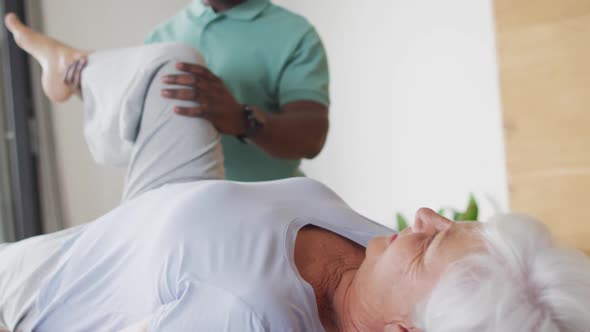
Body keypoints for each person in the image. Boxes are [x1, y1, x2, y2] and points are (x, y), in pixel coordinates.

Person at [2, 14, 590, 332]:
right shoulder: (372, 263)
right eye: (455, 226)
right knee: (172, 67)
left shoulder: (243, 317)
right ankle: (74, 72)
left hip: (45, 286)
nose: (425, 216)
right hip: (170, 209)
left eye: (429, 245)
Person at [146, 0, 331, 181]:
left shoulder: (295, 33)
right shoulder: (160, 37)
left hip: (264, 205)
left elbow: (312, 137)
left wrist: (243, 120)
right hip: (177, 203)